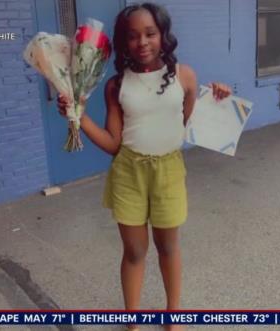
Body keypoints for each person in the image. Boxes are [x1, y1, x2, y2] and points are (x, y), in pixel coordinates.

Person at [56, 3, 231, 330]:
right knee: (134, 251)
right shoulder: (115, 85)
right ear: (123, 43)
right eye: (132, 36)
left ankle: (172, 314)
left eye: (150, 33)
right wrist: (78, 115)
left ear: (164, 36)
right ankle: (132, 319)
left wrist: (220, 97)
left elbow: (190, 123)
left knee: (168, 246)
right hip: (129, 173)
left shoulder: (185, 76)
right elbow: (113, 144)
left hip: (168, 172)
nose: (143, 42)